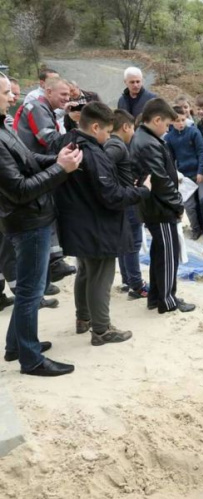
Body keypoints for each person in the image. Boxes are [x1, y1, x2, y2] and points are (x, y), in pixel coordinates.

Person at [0, 73, 82, 376]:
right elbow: (20, 189)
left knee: (27, 290)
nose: (13, 98)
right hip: (28, 222)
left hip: (30, 219)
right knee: (30, 292)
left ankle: (16, 346)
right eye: (7, 92)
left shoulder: (4, 128)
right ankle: (30, 359)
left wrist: (55, 158)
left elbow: (27, 157)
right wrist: (61, 169)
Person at [54, 102, 152, 345]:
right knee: (101, 275)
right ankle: (101, 329)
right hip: (96, 225)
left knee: (85, 272)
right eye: (107, 132)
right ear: (95, 126)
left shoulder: (65, 141)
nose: (108, 137)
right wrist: (142, 192)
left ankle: (83, 318)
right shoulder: (94, 153)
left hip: (76, 222)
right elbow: (110, 195)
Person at [130, 98, 195, 314]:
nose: (167, 129)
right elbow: (160, 180)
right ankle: (167, 301)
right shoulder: (147, 142)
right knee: (168, 254)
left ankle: (156, 297)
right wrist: (178, 205)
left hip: (155, 206)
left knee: (160, 252)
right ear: (157, 119)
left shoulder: (145, 137)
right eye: (166, 124)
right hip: (160, 207)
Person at [14, 76, 78, 284]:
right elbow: (50, 142)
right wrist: (78, 131)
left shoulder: (45, 109)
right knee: (42, 218)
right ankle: (49, 268)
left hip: (38, 168)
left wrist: (67, 114)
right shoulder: (35, 108)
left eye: (69, 95)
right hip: (34, 172)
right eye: (63, 95)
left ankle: (48, 272)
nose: (67, 99)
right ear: (48, 92)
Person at [105, 109, 150, 299]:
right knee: (133, 243)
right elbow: (103, 165)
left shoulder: (112, 143)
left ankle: (126, 280)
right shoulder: (117, 146)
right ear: (125, 126)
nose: (133, 133)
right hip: (127, 199)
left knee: (125, 242)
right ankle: (136, 285)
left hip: (122, 198)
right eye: (132, 128)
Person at [165, 105, 203, 240]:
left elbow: (201, 152)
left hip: (199, 172)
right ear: (172, 121)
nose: (181, 123)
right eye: (177, 120)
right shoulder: (169, 138)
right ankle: (196, 229)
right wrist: (176, 175)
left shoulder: (194, 132)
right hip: (184, 176)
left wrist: (201, 171)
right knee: (189, 206)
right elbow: (171, 159)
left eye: (183, 120)